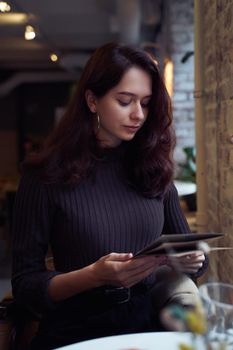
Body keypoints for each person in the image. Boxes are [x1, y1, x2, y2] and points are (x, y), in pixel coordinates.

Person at [12, 42, 208, 349]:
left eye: (145, 103)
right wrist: (93, 276)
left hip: (147, 329)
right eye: (125, 101)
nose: (138, 115)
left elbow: (189, 251)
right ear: (92, 100)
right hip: (75, 332)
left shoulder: (154, 167)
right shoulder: (44, 175)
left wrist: (193, 260)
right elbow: (25, 287)